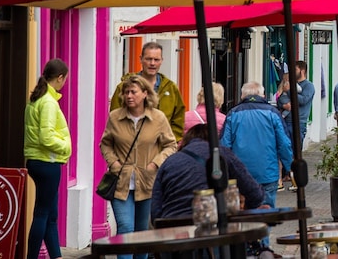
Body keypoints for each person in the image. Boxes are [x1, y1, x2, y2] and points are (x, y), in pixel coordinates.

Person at [100, 75, 177, 259]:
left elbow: (171, 145)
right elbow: (105, 143)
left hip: (148, 183)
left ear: (144, 94)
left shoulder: (158, 118)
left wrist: (155, 163)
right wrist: (114, 163)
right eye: (126, 92)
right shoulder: (115, 117)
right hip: (121, 183)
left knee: (142, 235)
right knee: (126, 228)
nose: (128, 96)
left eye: (133, 92)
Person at [151, 124, 265, 220]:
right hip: (211, 225)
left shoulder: (169, 161)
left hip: (173, 227)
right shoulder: (222, 154)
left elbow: (155, 210)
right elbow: (255, 194)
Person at [24, 59, 71, 259]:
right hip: (47, 162)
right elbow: (46, 137)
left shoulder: (37, 99)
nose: (64, 83)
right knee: (42, 214)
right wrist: (66, 146)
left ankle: (56, 256)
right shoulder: (49, 103)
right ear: (59, 78)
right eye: (65, 79)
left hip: (36, 161)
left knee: (50, 215)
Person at [221, 81, 293, 207]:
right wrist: (290, 168)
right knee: (266, 214)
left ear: (242, 96)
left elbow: (224, 146)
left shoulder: (233, 114)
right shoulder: (273, 114)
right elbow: (284, 144)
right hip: (267, 174)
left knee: (241, 214)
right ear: (263, 96)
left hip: (239, 175)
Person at [111, 42, 185, 141]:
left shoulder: (171, 88)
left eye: (156, 60)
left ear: (162, 61)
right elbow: (115, 118)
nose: (152, 63)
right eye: (148, 59)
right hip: (132, 147)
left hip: (162, 150)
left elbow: (178, 120)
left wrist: (170, 141)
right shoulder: (124, 87)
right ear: (141, 59)